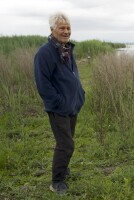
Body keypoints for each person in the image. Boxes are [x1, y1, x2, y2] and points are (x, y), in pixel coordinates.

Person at [34, 12, 85, 194]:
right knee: (66, 145)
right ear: (52, 29)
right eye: (61, 28)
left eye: (68, 28)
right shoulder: (45, 53)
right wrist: (59, 102)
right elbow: (43, 84)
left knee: (67, 140)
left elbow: (73, 75)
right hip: (59, 108)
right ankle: (56, 182)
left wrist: (80, 94)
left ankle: (63, 169)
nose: (66, 31)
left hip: (72, 105)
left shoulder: (66, 49)